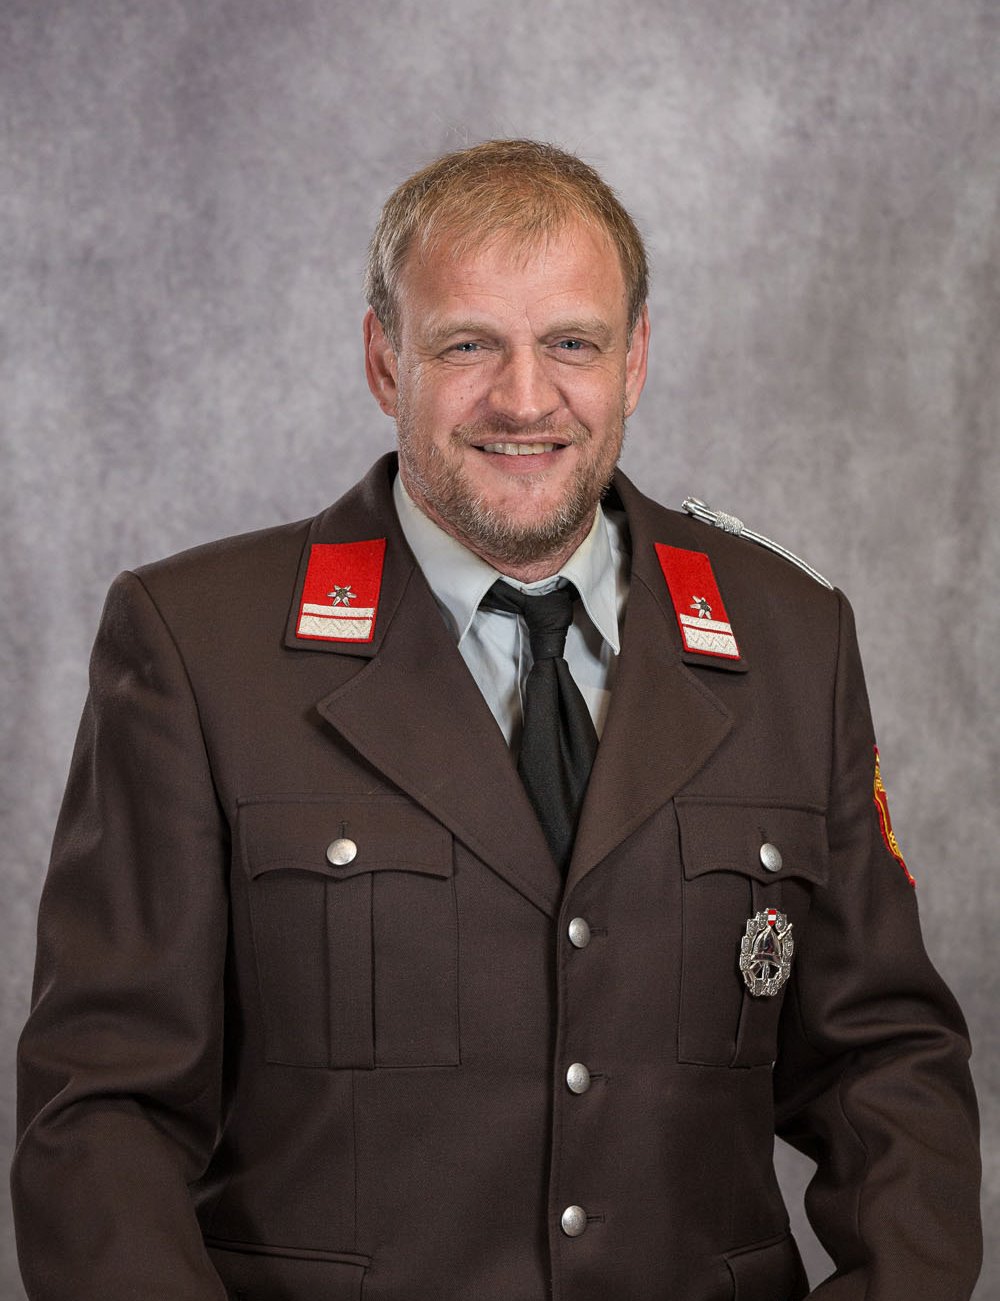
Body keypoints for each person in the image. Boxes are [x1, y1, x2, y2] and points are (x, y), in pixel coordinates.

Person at [13, 139, 981, 1301]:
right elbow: (102, 1113)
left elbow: (885, 1065)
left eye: (572, 343)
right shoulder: (198, 645)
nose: (524, 399)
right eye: (467, 344)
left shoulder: (790, 639)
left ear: (634, 358)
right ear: (384, 359)